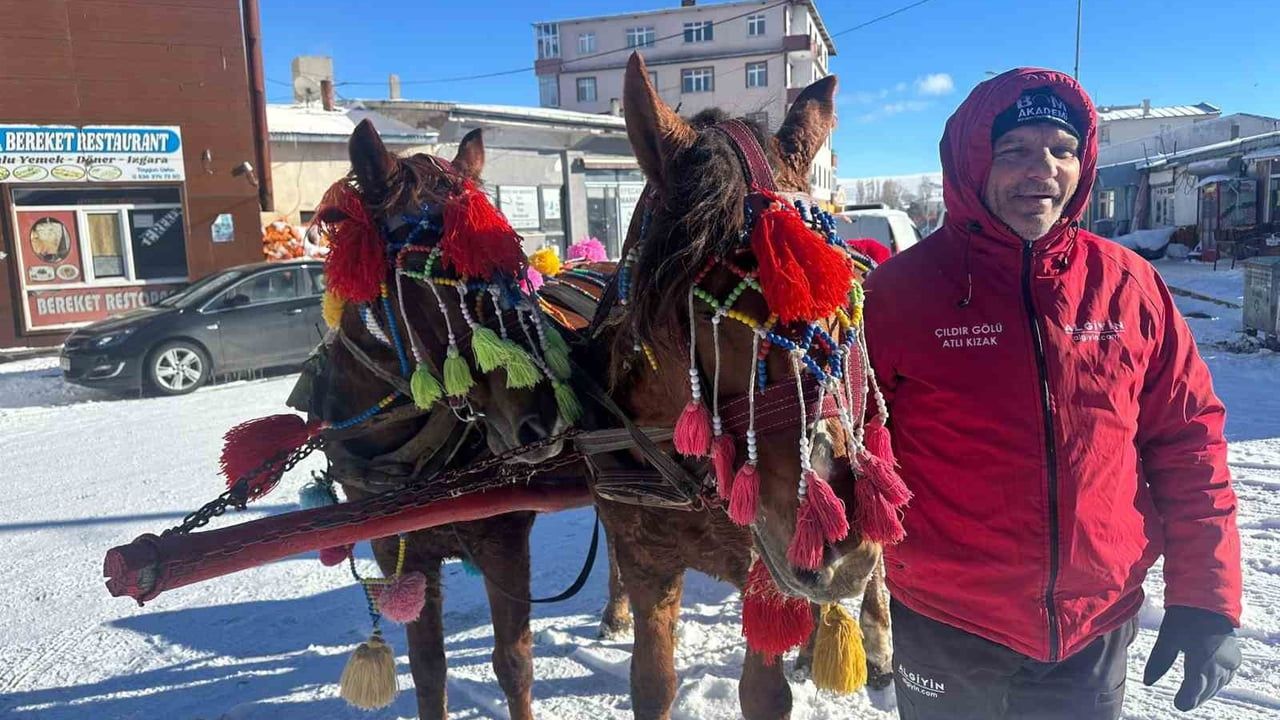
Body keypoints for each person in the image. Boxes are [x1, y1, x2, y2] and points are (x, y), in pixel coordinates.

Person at [863, 68, 1242, 719]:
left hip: (1094, 626)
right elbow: (845, 449)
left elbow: (1188, 441)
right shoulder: (897, 295)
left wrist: (1206, 597)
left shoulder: (1130, 285)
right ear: (970, 161)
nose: (1042, 170)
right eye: (1013, 150)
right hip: (947, 621)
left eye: (1062, 150)